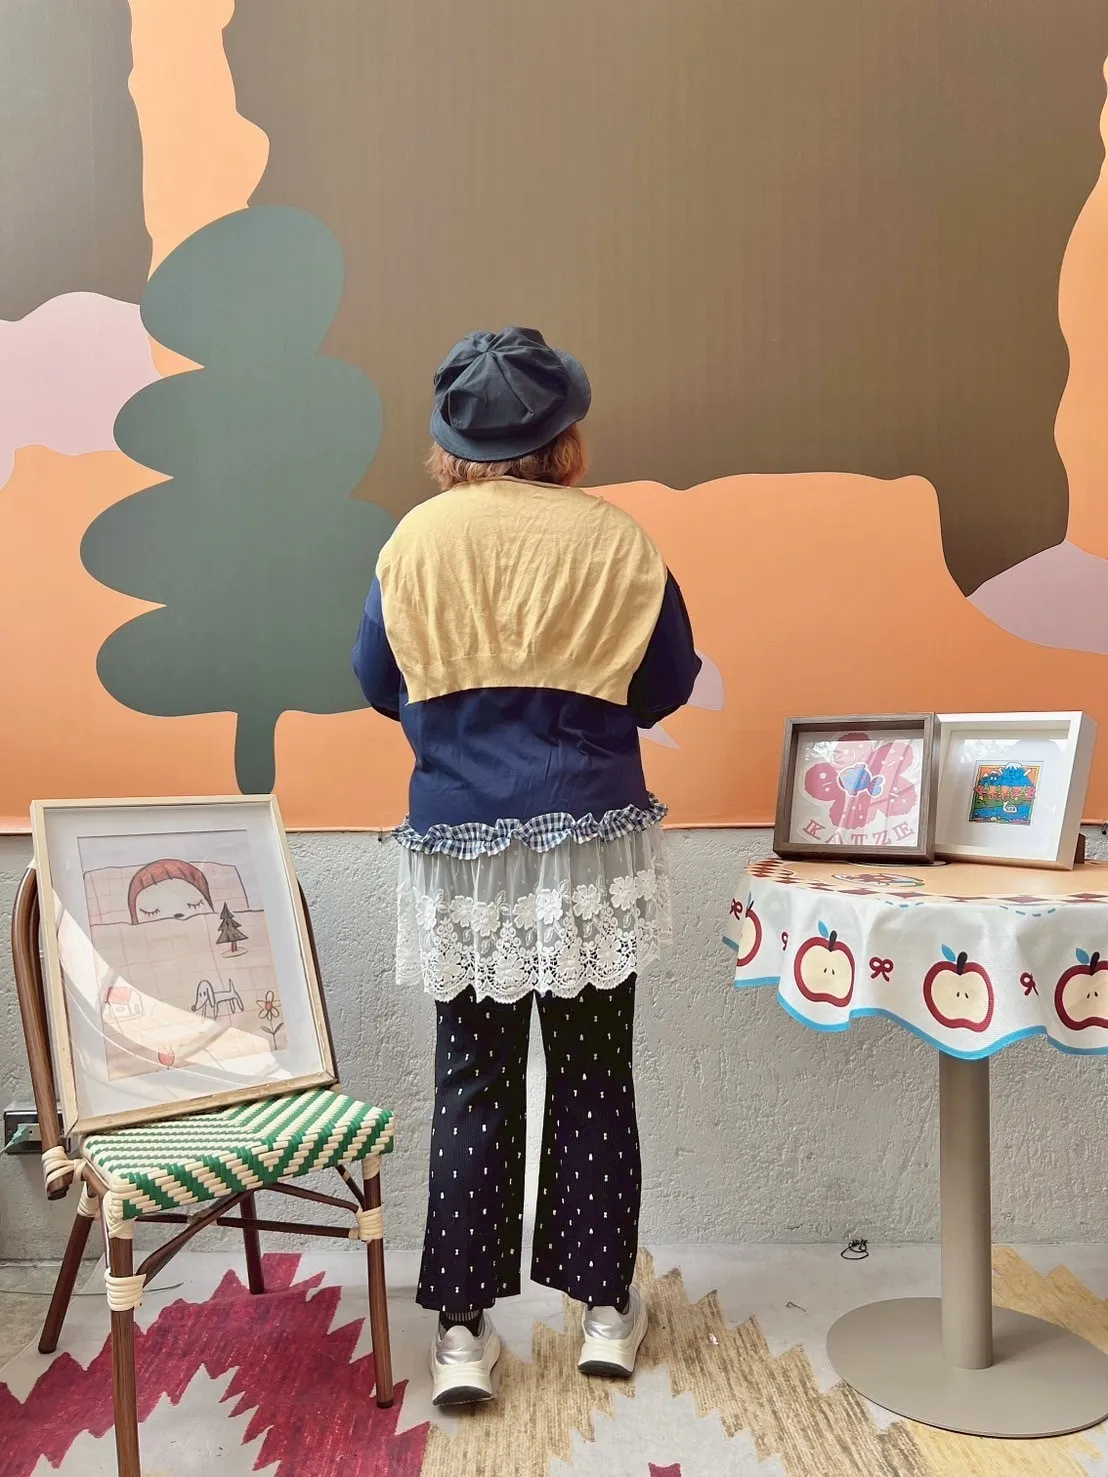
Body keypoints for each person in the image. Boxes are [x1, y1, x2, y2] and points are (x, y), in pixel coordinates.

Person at [352, 326, 700, 1406]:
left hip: (463, 849)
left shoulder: (413, 544)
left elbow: (378, 681)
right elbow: (668, 682)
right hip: (589, 838)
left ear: (451, 440)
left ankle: (462, 1332)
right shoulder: (620, 541)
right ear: (564, 437)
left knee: (472, 1078)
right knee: (594, 1073)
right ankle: (604, 1314)